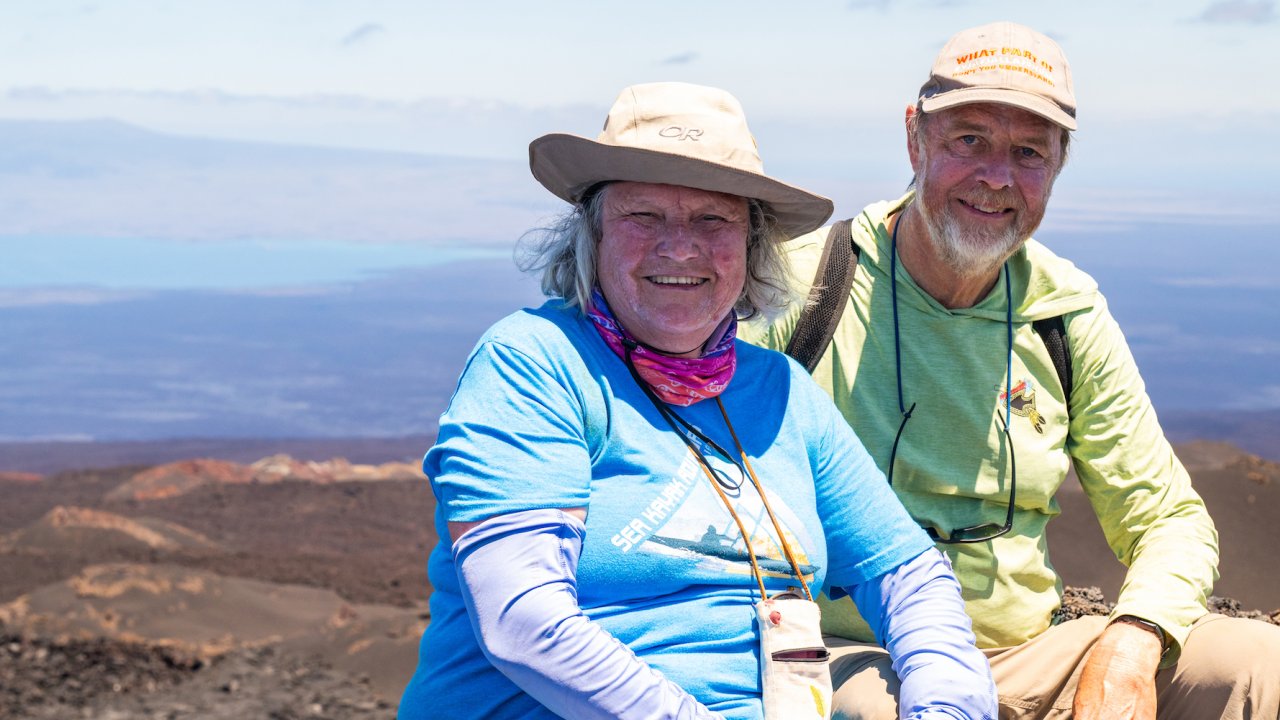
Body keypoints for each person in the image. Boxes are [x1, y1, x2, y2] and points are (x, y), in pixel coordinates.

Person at [397, 82, 999, 720]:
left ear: (751, 246)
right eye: (643, 216)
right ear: (593, 238)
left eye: (713, 219)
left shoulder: (782, 393)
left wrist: (949, 708)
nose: (679, 245)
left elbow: (909, 577)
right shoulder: (534, 363)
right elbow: (525, 622)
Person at [741, 21, 1280, 720]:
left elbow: (1168, 517)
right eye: (969, 140)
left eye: (1028, 151)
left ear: (1058, 165)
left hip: (1029, 656)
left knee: (1261, 672)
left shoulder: (1063, 311)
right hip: (857, 652)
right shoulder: (809, 284)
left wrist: (1133, 641)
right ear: (915, 137)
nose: (996, 176)